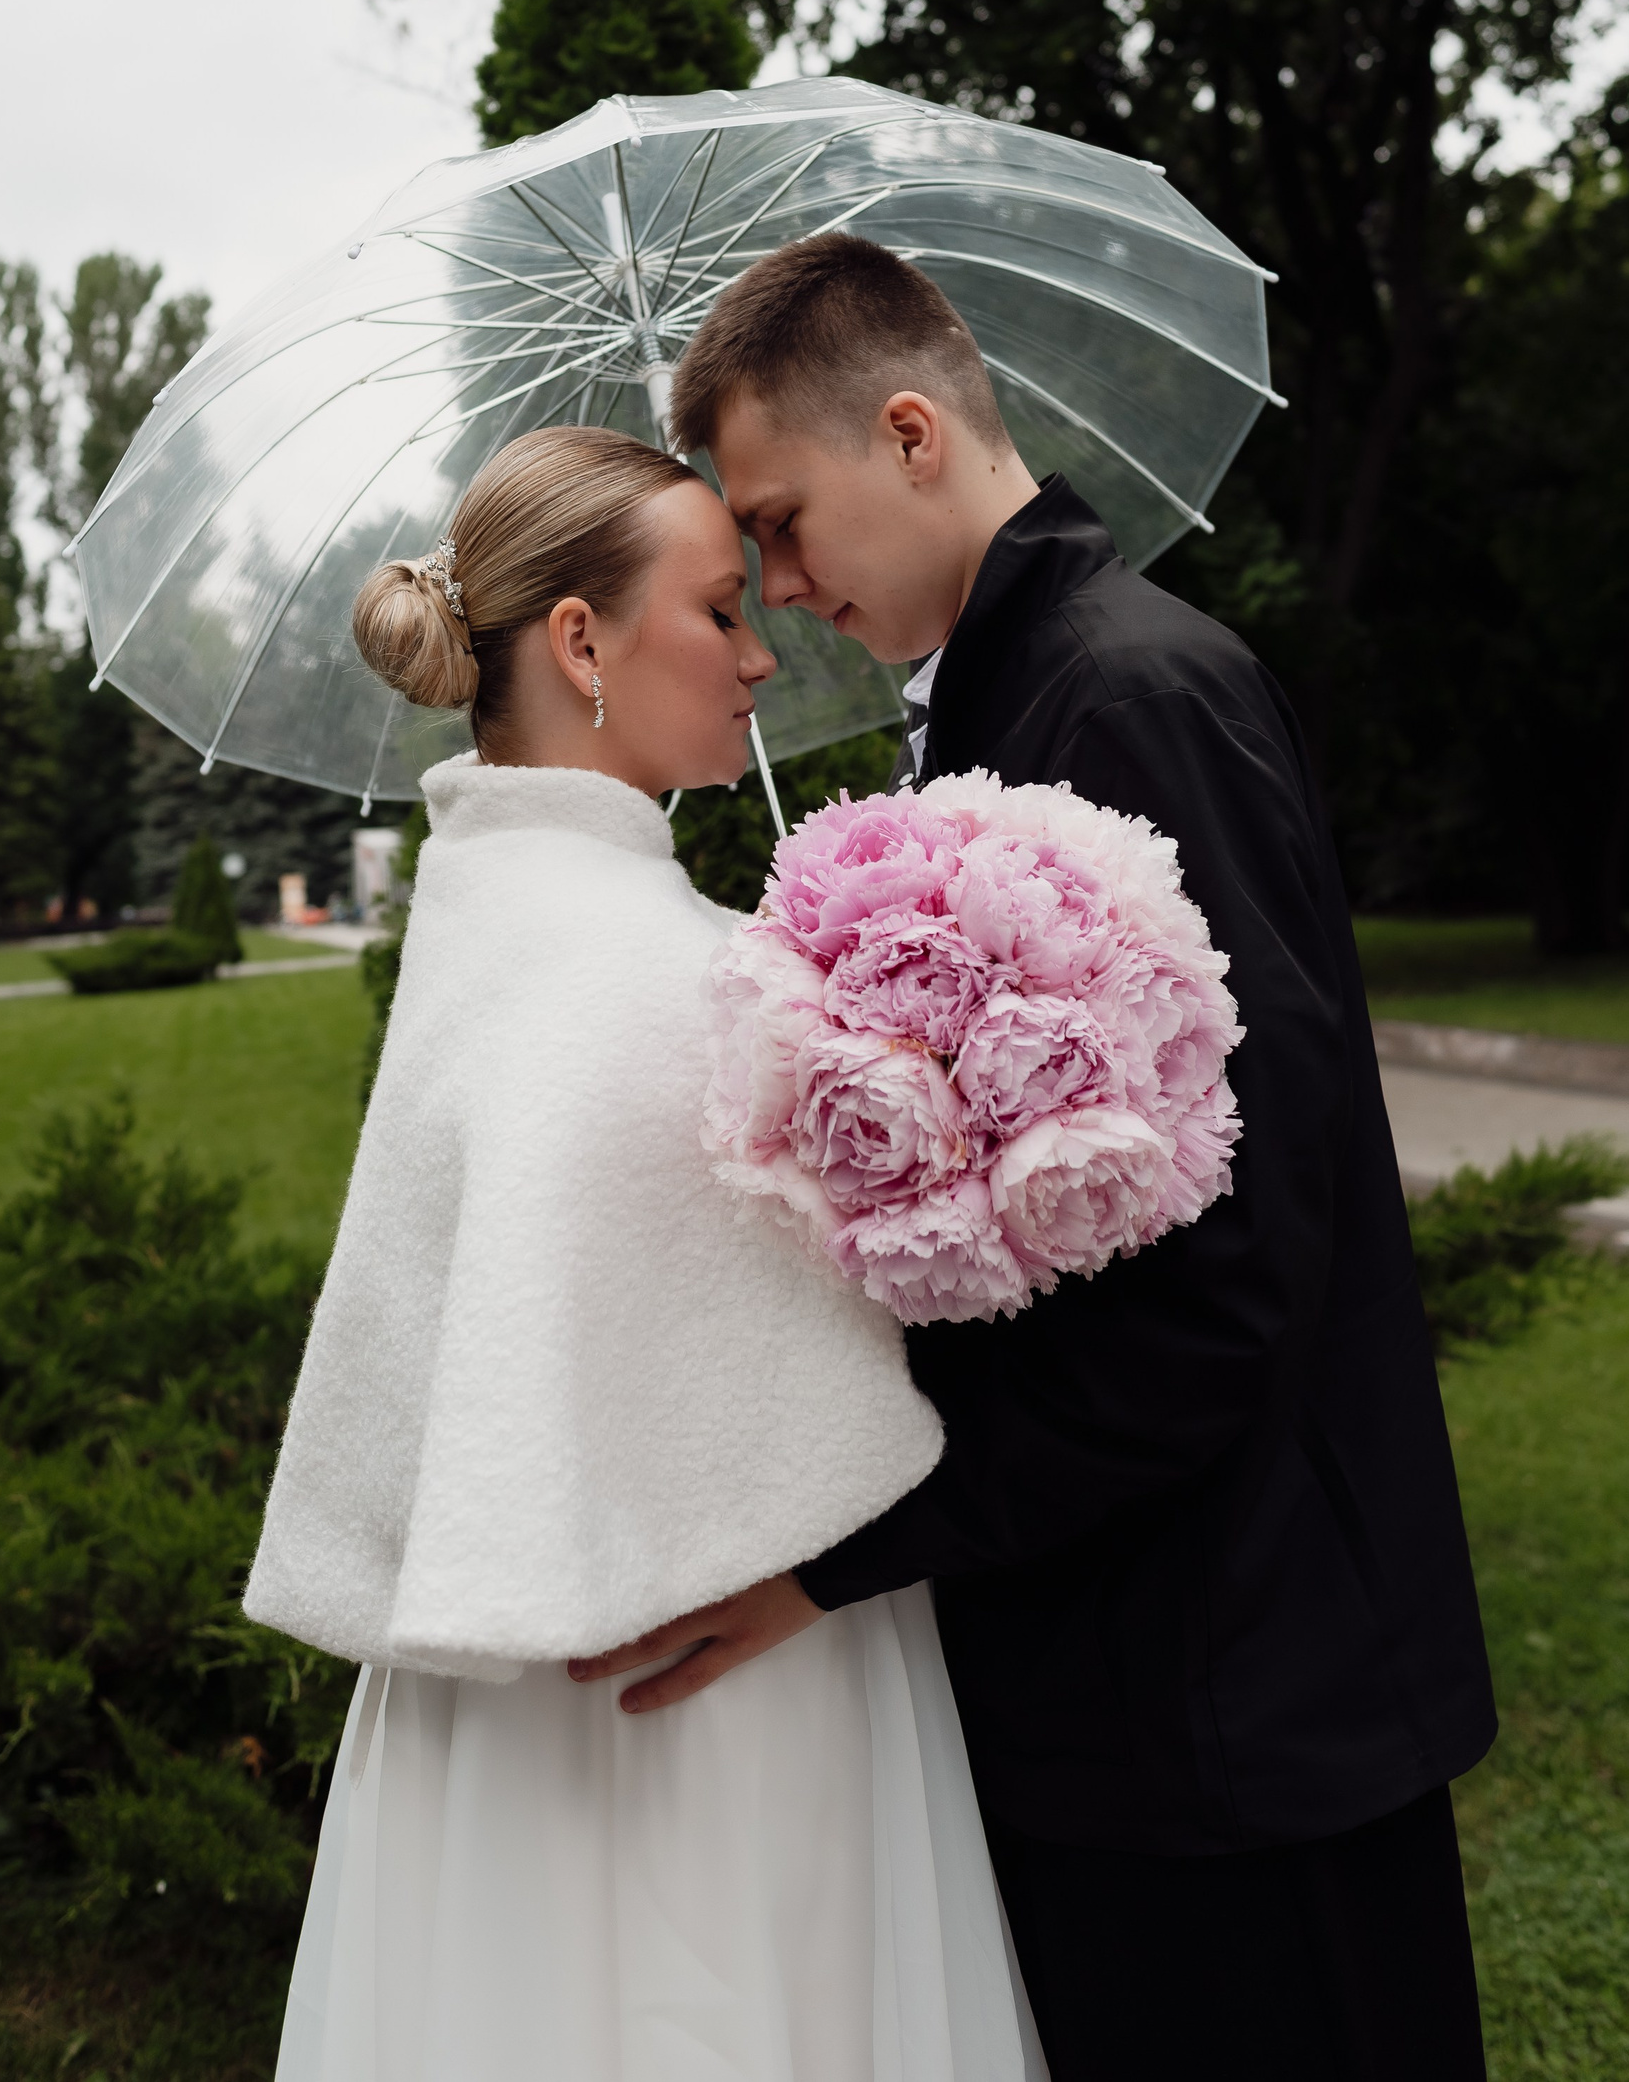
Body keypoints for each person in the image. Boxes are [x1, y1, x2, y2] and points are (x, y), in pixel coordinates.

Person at [578, 236, 1497, 2082]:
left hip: (1240, 1687)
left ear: (911, 433)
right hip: (1132, 1676)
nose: (779, 587)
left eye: (780, 521)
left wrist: (853, 1556)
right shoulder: (1009, 708)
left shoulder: (1127, 704)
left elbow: (1228, 1277)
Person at [246, 424, 1043, 2082]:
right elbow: (826, 1389)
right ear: (580, 642)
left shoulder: (498, 921)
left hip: (506, 1732)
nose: (762, 656)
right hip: (711, 1711)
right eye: (719, 609)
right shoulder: (648, 975)